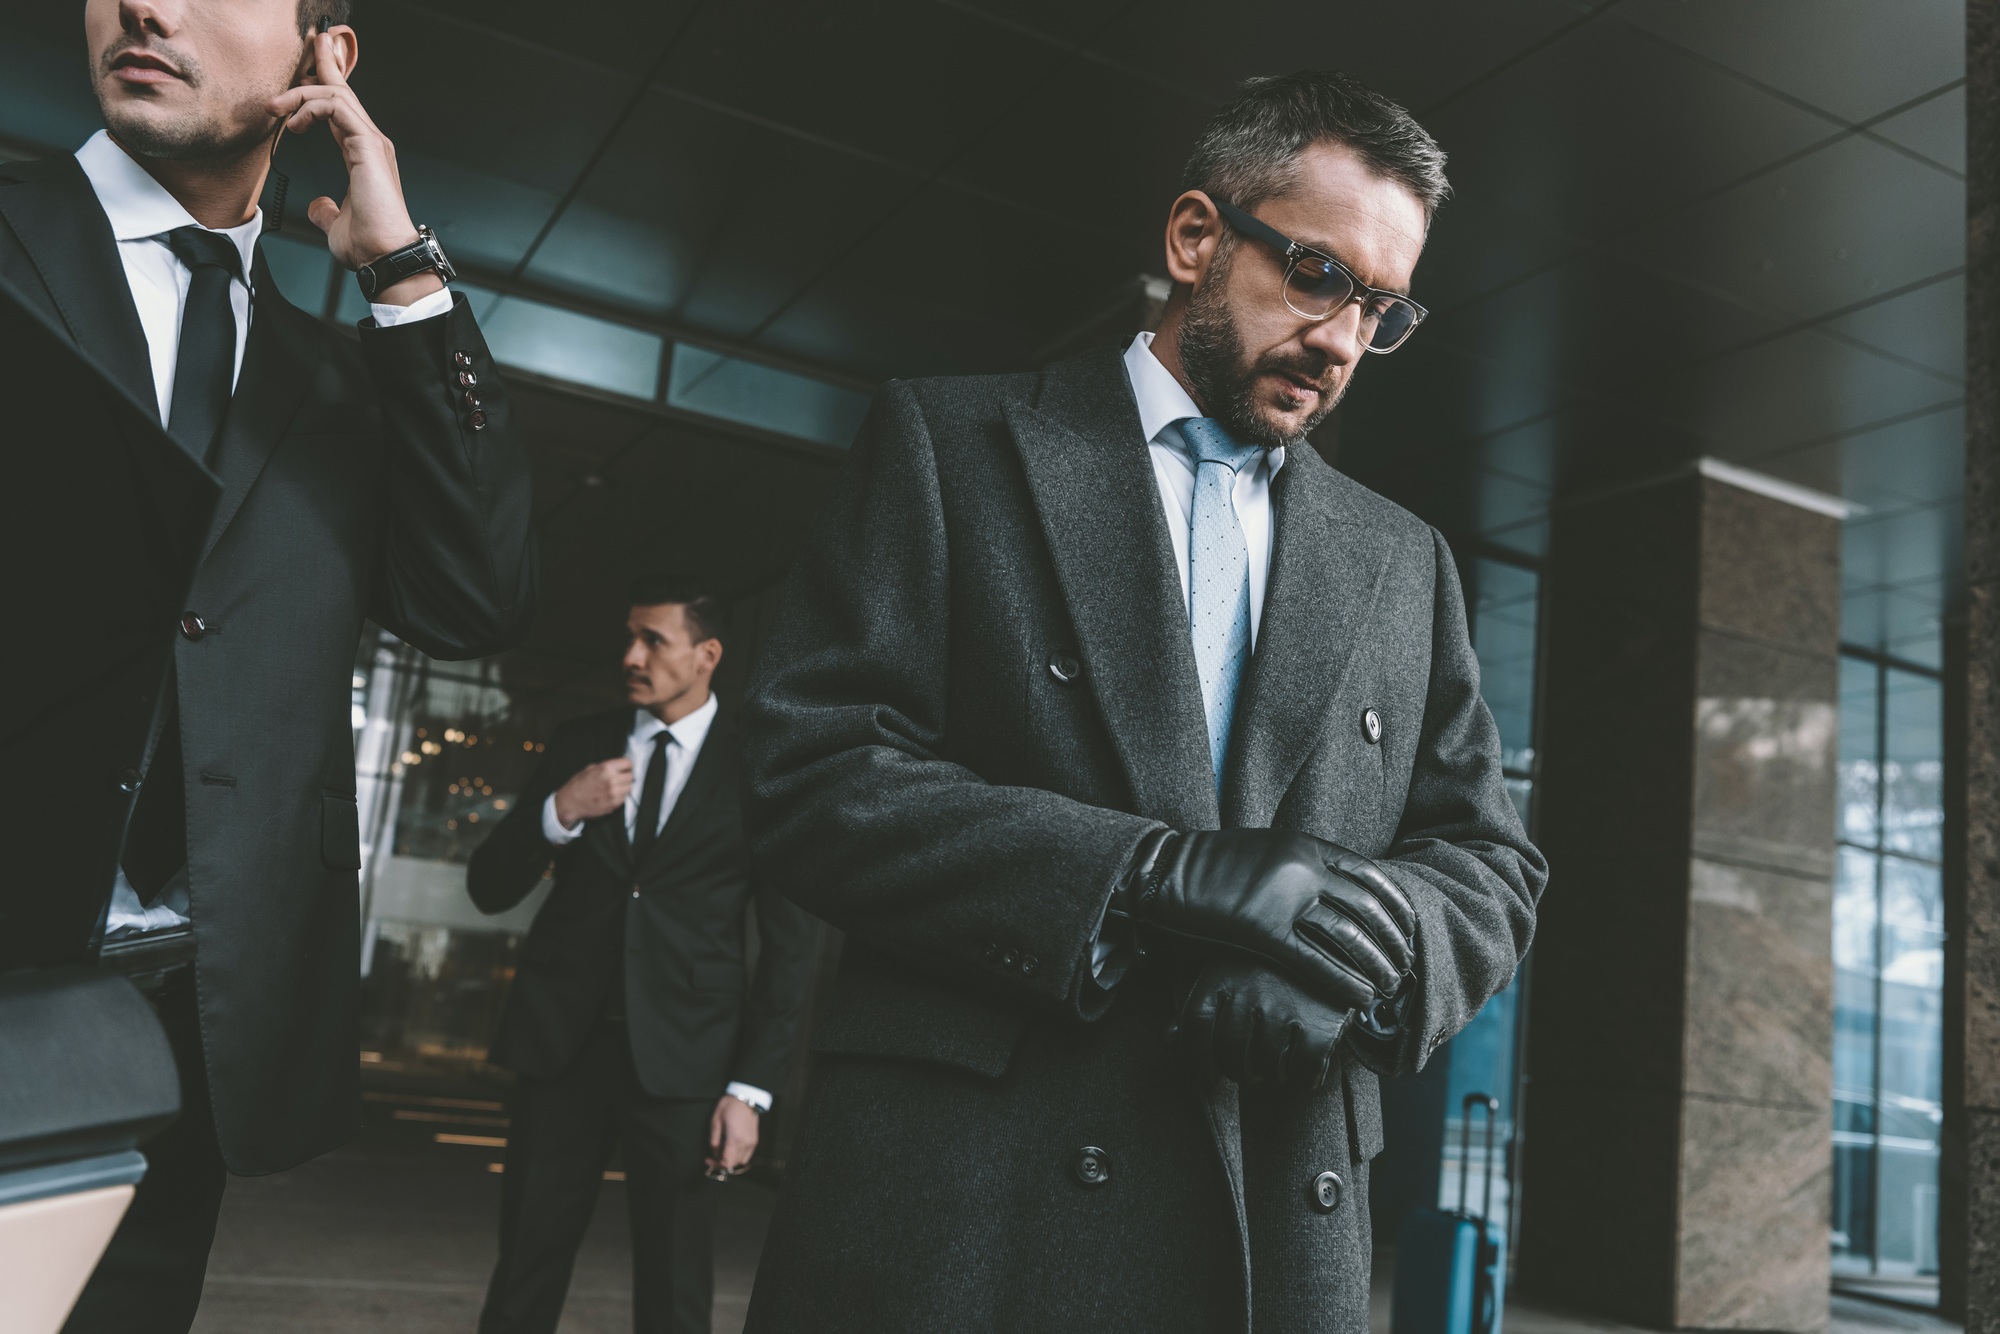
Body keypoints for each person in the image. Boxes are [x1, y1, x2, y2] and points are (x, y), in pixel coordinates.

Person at [739, 70, 1547, 1331]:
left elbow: (1488, 862)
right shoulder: (950, 449)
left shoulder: (1404, 559)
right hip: (971, 1208)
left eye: (1379, 308)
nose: (1340, 340)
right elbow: (812, 771)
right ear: (1194, 238)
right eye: (1317, 275)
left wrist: (1359, 957)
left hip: (1271, 1206)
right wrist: (1142, 874)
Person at [0, 2, 539, 1330]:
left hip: (172, 1046)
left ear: (325, 57)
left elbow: (476, 595)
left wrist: (402, 271)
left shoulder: (342, 384)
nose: (146, 3)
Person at [468, 584, 819, 1334]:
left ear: (707, 655)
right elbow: (489, 886)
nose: (631, 656)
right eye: (629, 638)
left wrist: (752, 1089)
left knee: (674, 1286)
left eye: (653, 640)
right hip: (563, 1047)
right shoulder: (578, 743)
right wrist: (561, 808)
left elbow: (791, 948)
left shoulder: (758, 765)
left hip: (687, 1065)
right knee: (524, 1268)